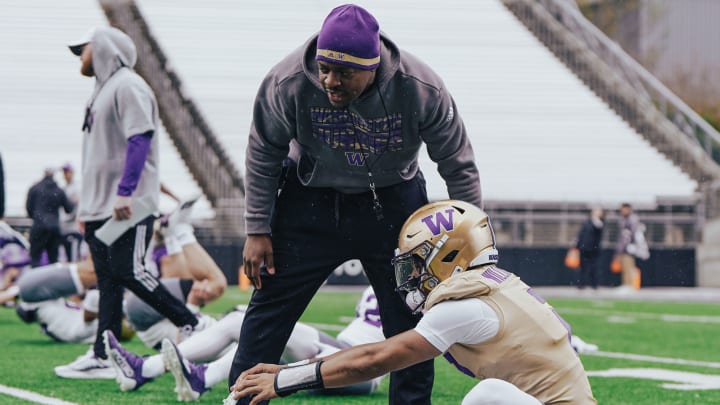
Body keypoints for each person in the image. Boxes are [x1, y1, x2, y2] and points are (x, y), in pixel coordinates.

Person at [234, 4, 482, 403]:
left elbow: (458, 165)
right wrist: (257, 228)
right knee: (268, 313)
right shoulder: (287, 81)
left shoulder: (421, 87)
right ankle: (240, 400)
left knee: (409, 322)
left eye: (344, 72)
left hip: (394, 204)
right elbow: (262, 152)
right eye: (324, 68)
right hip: (308, 201)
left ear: (372, 66)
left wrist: (469, 242)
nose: (330, 80)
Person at [229, 200, 596, 405]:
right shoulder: (496, 283)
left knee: (487, 396)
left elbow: (376, 358)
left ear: (448, 254)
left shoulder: (463, 305)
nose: (413, 275)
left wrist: (285, 378)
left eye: (418, 262)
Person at [61, 26, 204, 377]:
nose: (81, 54)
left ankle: (191, 324)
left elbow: (140, 138)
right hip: (99, 207)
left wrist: (125, 191)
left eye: (86, 47)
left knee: (129, 270)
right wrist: (86, 208)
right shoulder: (101, 91)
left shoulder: (128, 84)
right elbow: (96, 158)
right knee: (108, 280)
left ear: (108, 48)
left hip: (128, 202)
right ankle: (103, 354)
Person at [102, 286, 386, 401]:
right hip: (341, 349)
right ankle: (159, 371)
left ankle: (152, 370)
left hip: (362, 369)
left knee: (261, 325)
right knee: (254, 325)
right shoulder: (389, 272)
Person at [25, 167, 74, 266]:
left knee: (34, 258)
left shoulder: (34, 188)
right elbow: (68, 209)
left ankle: (34, 280)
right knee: (53, 260)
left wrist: (36, 218)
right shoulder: (59, 190)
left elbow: (29, 208)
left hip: (38, 227)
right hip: (54, 228)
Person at [613, 203, 645, 291]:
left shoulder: (632, 219)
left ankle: (630, 285)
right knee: (624, 266)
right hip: (624, 247)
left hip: (629, 247)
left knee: (629, 266)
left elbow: (635, 233)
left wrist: (633, 244)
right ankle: (626, 284)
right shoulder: (623, 219)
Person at [574, 207, 604, 290]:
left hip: (594, 250)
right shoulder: (587, 222)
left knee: (594, 268)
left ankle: (594, 285)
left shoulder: (600, 222)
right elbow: (581, 235)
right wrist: (577, 246)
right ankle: (581, 285)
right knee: (582, 268)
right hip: (584, 249)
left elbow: (599, 228)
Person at [59, 163, 84, 262]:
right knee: (66, 256)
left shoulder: (77, 188)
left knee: (74, 256)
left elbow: (75, 208)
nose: (65, 175)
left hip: (74, 227)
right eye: (64, 172)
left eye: (67, 172)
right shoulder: (63, 188)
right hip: (64, 228)